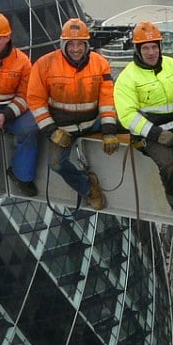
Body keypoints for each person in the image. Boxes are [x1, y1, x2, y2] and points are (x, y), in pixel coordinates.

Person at [114, 21, 173, 227]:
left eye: (154, 47)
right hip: (151, 134)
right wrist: (156, 134)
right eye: (145, 48)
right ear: (137, 50)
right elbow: (127, 116)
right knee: (169, 166)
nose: (151, 52)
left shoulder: (172, 65)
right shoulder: (127, 78)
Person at [28, 18, 119, 210]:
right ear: (63, 44)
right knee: (57, 164)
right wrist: (52, 131)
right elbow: (36, 101)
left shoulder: (100, 64)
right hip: (63, 127)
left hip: (92, 122)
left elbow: (106, 100)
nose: (76, 49)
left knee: (131, 129)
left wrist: (109, 131)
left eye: (80, 44)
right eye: (71, 44)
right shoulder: (44, 65)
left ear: (86, 45)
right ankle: (88, 188)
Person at [0, 12, 39, 197]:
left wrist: (5, 115)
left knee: (30, 128)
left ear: (7, 37)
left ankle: (21, 175)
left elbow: (25, 96)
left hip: (11, 110)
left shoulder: (21, 62)